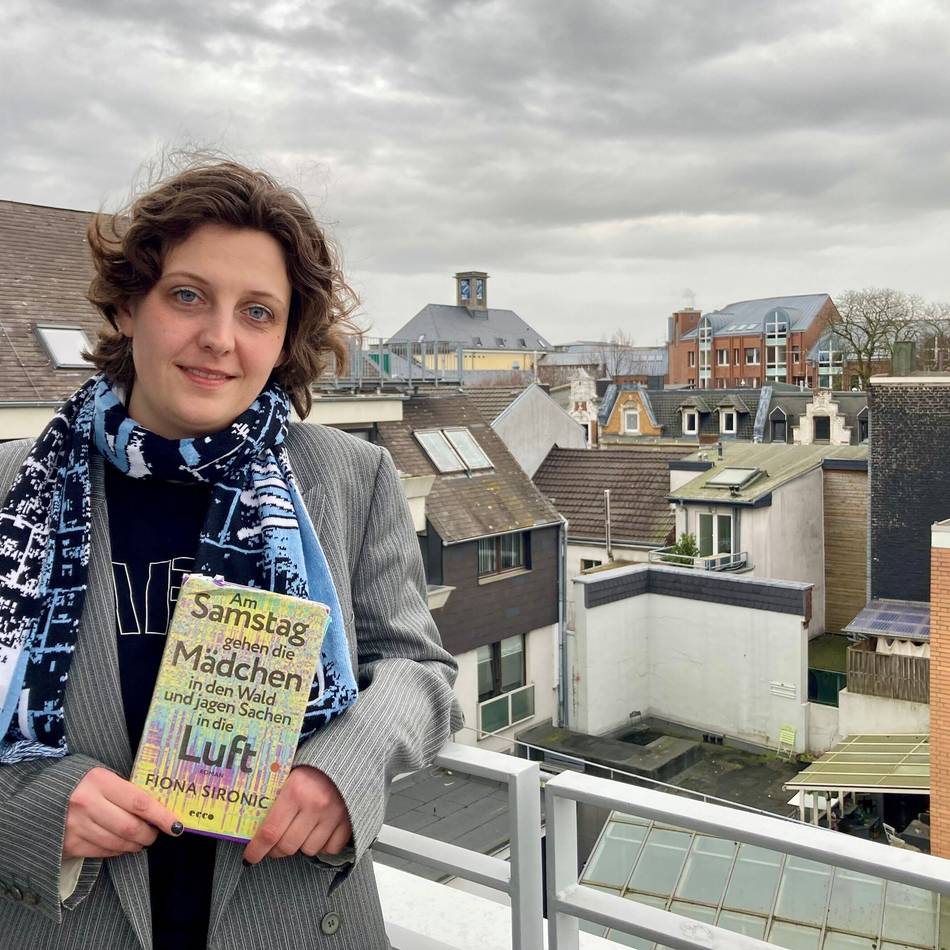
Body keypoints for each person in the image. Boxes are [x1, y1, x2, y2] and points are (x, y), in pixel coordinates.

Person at [0, 160, 461, 949]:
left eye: (258, 312)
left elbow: (419, 669)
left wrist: (340, 771)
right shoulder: (15, 490)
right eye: (187, 296)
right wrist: (25, 809)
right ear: (126, 306)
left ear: (284, 339)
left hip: (290, 912)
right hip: (68, 920)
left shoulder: (349, 478)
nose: (219, 339)